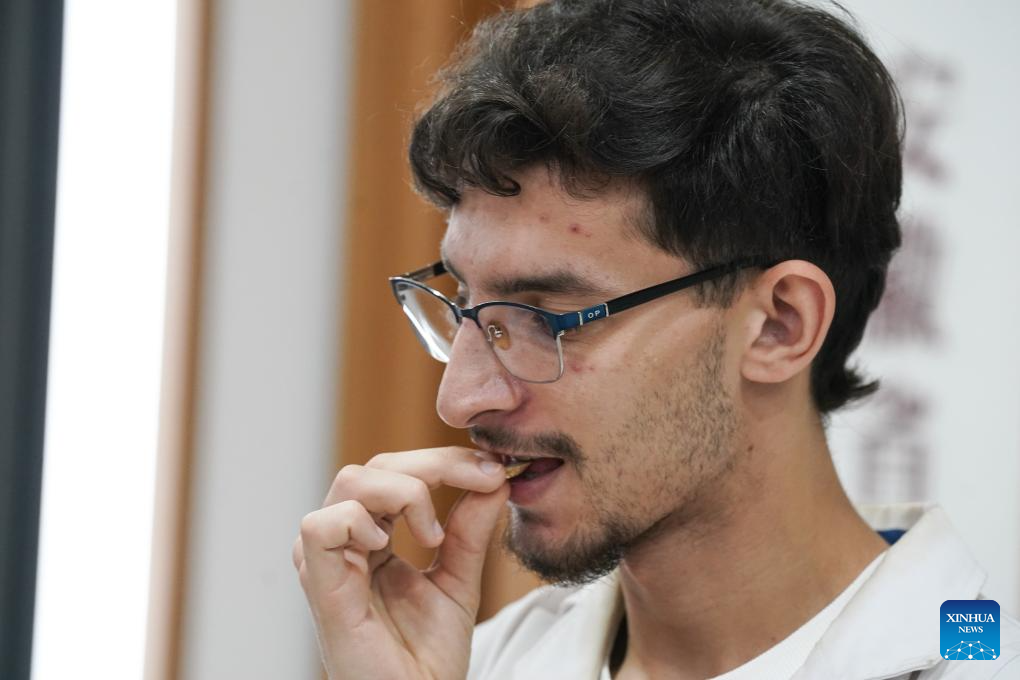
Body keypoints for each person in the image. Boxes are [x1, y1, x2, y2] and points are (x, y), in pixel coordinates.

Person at [292, 1, 1020, 678]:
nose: (461, 398)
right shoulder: (477, 664)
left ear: (778, 325)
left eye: (545, 316)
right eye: (466, 308)